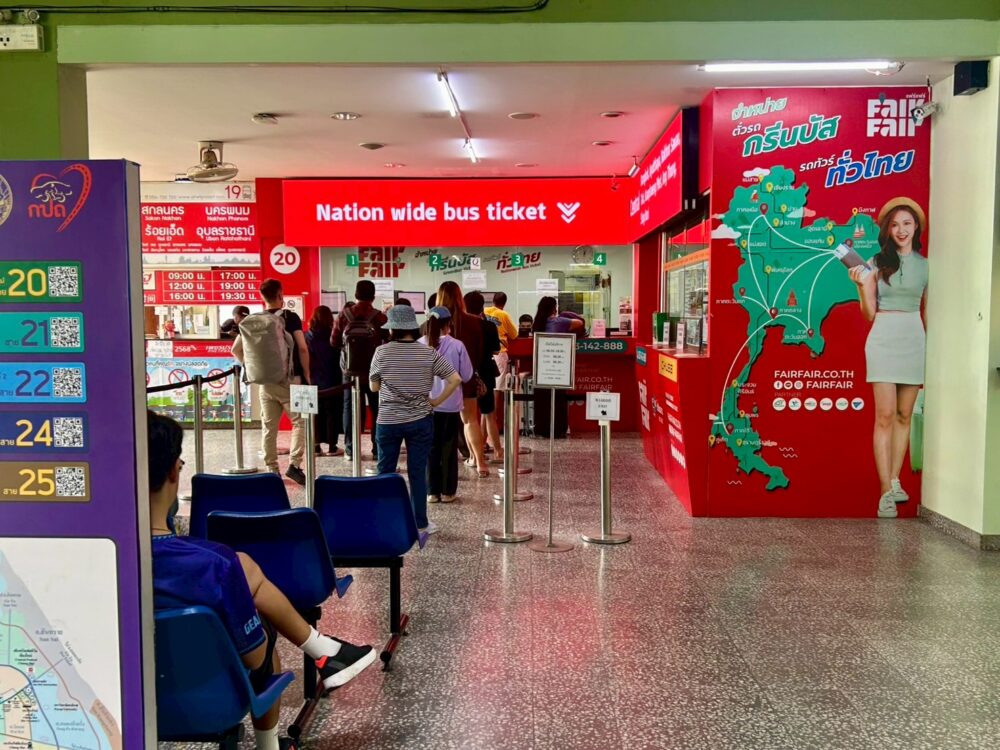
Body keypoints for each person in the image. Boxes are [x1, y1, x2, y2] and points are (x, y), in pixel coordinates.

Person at [148, 411, 376, 750]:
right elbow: (255, 659)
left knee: (244, 565)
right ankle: (273, 738)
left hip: (121, 697)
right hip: (212, 699)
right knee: (264, 641)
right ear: (172, 471)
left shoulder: (98, 561)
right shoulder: (215, 563)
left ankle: (326, 650)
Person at [848, 197, 929, 519]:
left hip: (914, 339)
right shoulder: (875, 262)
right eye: (895, 225)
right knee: (884, 416)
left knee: (904, 415)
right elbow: (869, 313)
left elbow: (929, 312)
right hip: (882, 338)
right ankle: (885, 490)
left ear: (916, 227)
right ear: (888, 229)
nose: (901, 230)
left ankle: (895, 480)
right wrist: (860, 286)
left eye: (907, 223)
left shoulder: (927, 266)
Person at [369, 305, 462, 534]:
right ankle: (420, 523)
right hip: (420, 420)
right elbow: (455, 379)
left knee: (385, 472)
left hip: (388, 420)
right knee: (418, 472)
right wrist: (435, 401)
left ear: (392, 329)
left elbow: (374, 387)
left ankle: (385, 521)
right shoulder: (428, 352)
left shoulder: (382, 352)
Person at [233, 279, 310, 485]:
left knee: (269, 427)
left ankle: (272, 469)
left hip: (265, 383)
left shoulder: (253, 320)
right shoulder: (290, 318)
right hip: (291, 380)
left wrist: (250, 366)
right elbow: (302, 348)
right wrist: (307, 375)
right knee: (300, 422)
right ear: (280, 295)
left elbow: (235, 350)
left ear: (262, 297)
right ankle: (294, 465)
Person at [420, 306, 473, 503]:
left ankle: (431, 491)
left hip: (426, 405)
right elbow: (466, 375)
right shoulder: (457, 345)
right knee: (449, 448)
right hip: (450, 405)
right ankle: (448, 491)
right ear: (448, 323)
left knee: (429, 447)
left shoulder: (419, 344)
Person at [437, 281, 489, 476]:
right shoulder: (474, 322)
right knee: (470, 420)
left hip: (440, 383)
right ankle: (480, 462)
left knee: (441, 425)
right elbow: (480, 352)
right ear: (460, 297)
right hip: (466, 378)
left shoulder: (434, 321)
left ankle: (442, 467)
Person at [332, 280, 388, 462]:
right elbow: (387, 341)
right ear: (373, 296)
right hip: (374, 371)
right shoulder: (379, 317)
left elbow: (333, 341)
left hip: (350, 372)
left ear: (355, 294)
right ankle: (377, 449)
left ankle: (351, 450)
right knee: (377, 409)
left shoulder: (344, 315)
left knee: (349, 408)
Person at [465, 291, 503, 465]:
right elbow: (496, 349)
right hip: (486, 371)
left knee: (469, 419)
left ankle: (475, 456)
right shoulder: (489, 325)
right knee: (489, 414)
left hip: (467, 373)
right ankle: (498, 451)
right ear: (482, 306)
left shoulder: (461, 326)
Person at [306, 305, 344, 456]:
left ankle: (316, 446)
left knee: (314, 413)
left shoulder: (307, 336)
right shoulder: (333, 336)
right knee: (331, 413)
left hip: (313, 379)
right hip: (332, 379)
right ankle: (332, 447)